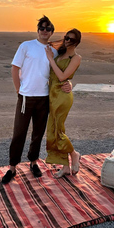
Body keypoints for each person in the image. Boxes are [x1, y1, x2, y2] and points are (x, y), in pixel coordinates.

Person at [2, 16, 72, 184]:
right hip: (26, 97)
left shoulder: (54, 52)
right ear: (38, 29)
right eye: (42, 27)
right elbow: (15, 68)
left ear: (52, 32)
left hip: (44, 98)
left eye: (48, 28)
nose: (45, 30)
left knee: (38, 133)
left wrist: (69, 83)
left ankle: (33, 162)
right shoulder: (26, 46)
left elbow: (60, 73)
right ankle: (12, 167)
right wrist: (19, 89)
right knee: (19, 133)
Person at [44, 28, 82, 178]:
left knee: (58, 131)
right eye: (66, 38)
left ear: (77, 42)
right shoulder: (60, 53)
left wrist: (50, 60)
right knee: (53, 130)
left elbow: (62, 77)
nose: (67, 41)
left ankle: (74, 154)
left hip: (62, 96)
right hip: (52, 94)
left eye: (71, 39)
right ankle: (65, 167)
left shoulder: (76, 57)